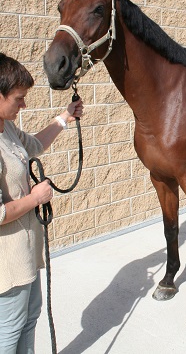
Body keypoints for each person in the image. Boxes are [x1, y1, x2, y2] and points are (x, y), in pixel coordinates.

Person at [0, 53, 83, 353]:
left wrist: (65, 117)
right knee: (9, 331)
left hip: (26, 252)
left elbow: (34, 145)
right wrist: (35, 198)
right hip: (7, 265)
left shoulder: (6, 128)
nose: (24, 105)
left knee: (30, 318)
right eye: (18, 98)